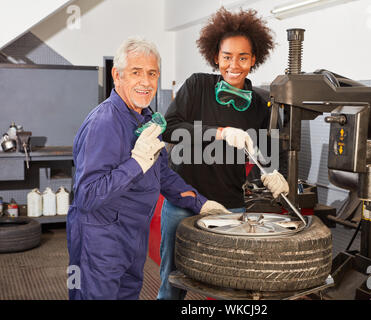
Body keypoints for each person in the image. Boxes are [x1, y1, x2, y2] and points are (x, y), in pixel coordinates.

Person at [66, 36, 229, 300]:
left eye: (152, 73)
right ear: (117, 76)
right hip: (100, 239)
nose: (145, 81)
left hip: (132, 235)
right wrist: (136, 163)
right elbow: (87, 195)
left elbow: (162, 174)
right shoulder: (104, 123)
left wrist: (201, 203)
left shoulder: (145, 117)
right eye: (136, 72)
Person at [158, 8, 290, 300]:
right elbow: (169, 129)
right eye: (227, 56)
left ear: (254, 60)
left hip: (230, 206)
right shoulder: (197, 86)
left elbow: (262, 152)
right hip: (185, 200)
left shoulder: (259, 104)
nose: (234, 65)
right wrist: (220, 132)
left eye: (243, 57)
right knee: (172, 282)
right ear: (216, 57)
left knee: (229, 286)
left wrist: (272, 173)